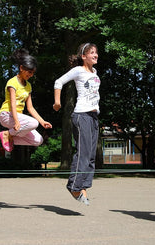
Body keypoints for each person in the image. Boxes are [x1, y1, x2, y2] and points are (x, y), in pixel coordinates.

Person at [53, 43, 100, 206]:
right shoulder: (78, 71)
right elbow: (58, 82)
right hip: (82, 116)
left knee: (91, 155)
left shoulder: (94, 72)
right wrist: (57, 102)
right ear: (83, 56)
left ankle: (83, 187)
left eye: (96, 52)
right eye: (92, 53)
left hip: (93, 116)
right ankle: (74, 186)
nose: (95, 55)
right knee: (83, 153)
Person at [0, 49, 52, 152]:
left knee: (38, 140)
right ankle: (7, 134)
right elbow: (13, 104)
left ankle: (9, 137)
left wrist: (42, 121)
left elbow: (30, 107)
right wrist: (17, 121)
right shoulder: (12, 82)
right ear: (21, 68)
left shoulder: (28, 86)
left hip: (18, 118)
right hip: (7, 115)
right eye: (29, 72)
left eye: (33, 73)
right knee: (33, 123)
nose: (31, 75)